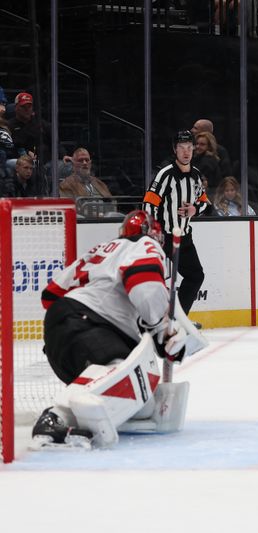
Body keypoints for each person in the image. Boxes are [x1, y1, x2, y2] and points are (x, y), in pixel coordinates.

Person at [30, 210, 201, 450]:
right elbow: (144, 287)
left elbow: (50, 295)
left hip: (63, 328)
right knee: (123, 377)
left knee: (143, 406)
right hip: (89, 325)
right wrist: (162, 329)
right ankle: (56, 417)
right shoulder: (145, 244)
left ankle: (77, 413)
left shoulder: (103, 249)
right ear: (155, 235)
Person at [144, 130, 210, 317]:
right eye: (182, 148)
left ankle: (178, 317)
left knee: (196, 276)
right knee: (153, 280)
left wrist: (194, 209)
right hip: (163, 237)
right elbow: (149, 204)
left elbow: (205, 204)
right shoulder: (165, 175)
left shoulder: (196, 176)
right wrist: (153, 234)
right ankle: (150, 319)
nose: (186, 152)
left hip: (184, 238)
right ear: (175, 149)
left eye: (189, 147)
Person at [59, 147, 114, 216]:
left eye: (87, 160)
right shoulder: (65, 185)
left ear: (90, 163)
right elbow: (71, 210)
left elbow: (112, 205)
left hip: (109, 221)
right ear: (73, 164)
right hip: (84, 223)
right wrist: (97, 215)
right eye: (80, 160)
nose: (84, 163)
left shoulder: (99, 183)